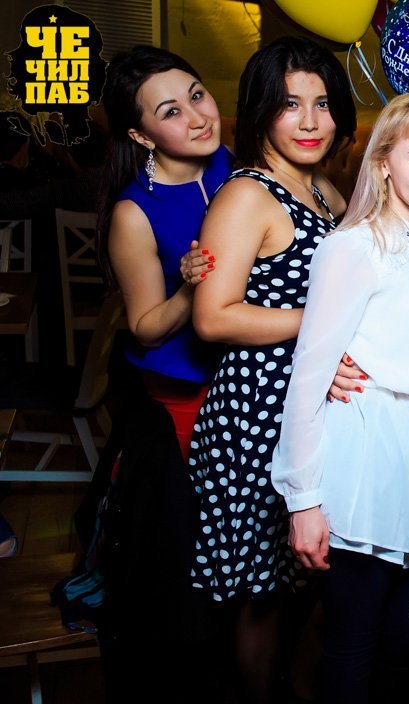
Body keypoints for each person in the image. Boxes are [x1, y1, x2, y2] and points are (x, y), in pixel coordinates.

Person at [271, 92, 409, 703]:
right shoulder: (354, 246)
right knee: (353, 646)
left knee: (401, 641)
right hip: (366, 459)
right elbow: (309, 376)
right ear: (383, 162)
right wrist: (304, 501)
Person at [187, 36, 355, 703]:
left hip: (307, 406)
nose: (310, 121)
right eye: (290, 104)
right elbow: (213, 316)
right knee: (260, 587)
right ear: (260, 110)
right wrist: (324, 325)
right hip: (257, 414)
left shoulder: (322, 189)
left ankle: (285, 684)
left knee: (300, 571)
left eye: (323, 103)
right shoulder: (247, 195)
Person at [97, 46, 230, 461]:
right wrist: (190, 288)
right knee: (191, 498)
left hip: (249, 370)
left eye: (196, 96)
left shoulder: (228, 161)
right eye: (171, 112)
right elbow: (144, 328)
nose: (198, 118)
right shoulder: (134, 212)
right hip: (186, 389)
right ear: (141, 136)